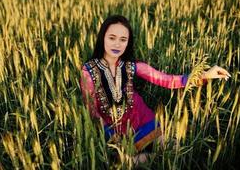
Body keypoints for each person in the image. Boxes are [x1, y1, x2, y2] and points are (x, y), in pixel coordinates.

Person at [79, 15, 231, 164]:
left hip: (144, 122)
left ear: (127, 43)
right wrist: (113, 138)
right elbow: (91, 109)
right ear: (102, 38)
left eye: (123, 40)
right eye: (112, 38)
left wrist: (205, 74)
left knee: (175, 148)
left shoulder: (132, 65)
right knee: (121, 161)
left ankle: (136, 161)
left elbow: (167, 80)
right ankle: (132, 161)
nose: (117, 44)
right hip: (114, 131)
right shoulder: (88, 71)